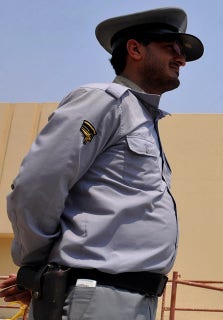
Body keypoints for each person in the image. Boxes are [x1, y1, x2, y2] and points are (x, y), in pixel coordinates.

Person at [0, 7, 203, 319]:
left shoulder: (142, 118)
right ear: (135, 49)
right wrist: (39, 267)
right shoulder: (105, 102)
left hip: (133, 299)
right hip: (97, 297)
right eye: (171, 48)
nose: (181, 59)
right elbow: (38, 184)